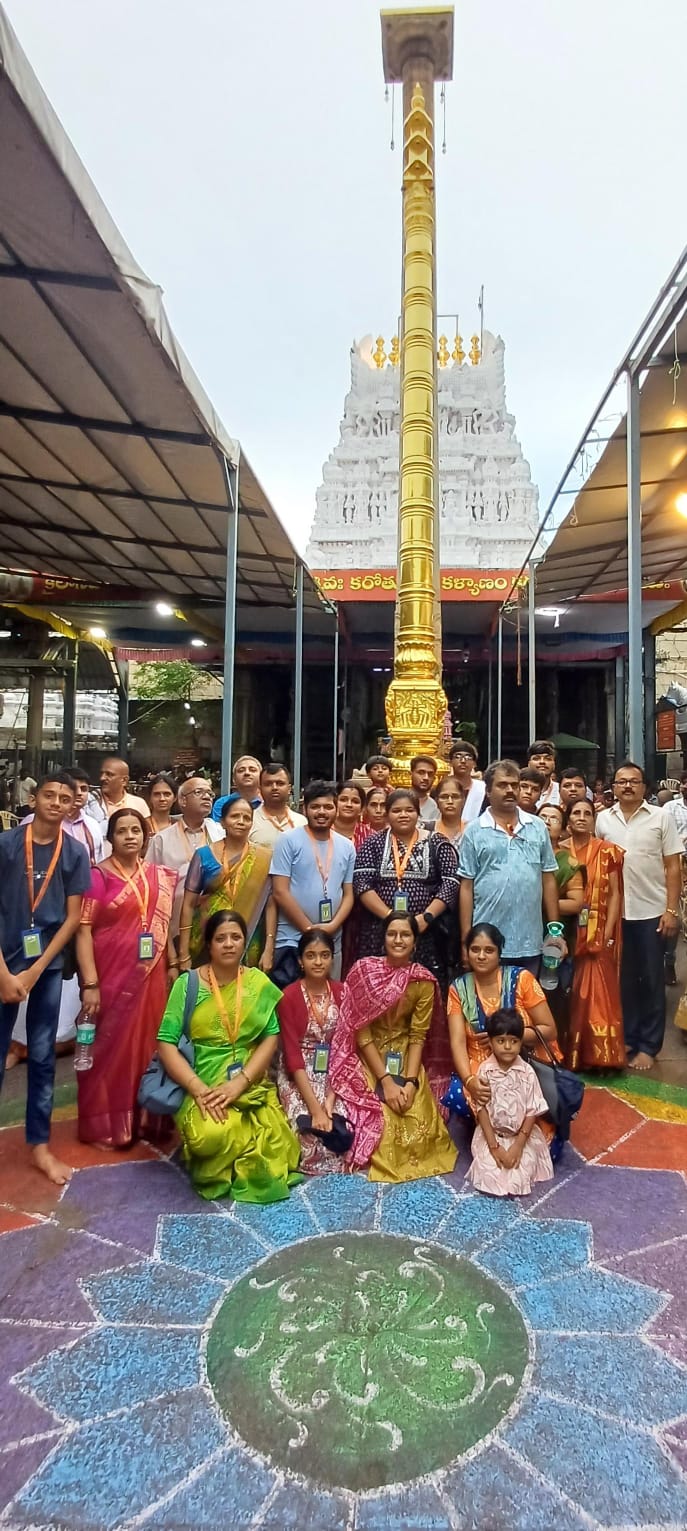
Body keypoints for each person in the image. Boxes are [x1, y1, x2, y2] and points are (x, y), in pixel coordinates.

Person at [157, 910, 303, 1203]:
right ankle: (234, 1151)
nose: (228, 944)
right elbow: (166, 1043)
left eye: (235, 937)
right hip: (202, 1081)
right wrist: (198, 1089)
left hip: (249, 1081)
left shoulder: (257, 982)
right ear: (209, 945)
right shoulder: (188, 984)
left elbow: (271, 1036)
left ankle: (240, 1153)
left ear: (244, 943)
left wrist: (241, 1082)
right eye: (220, 938)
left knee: (284, 1147)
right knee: (208, 1138)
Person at [0, 774, 90, 1184]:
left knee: (41, 1056)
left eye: (64, 798)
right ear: (34, 798)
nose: (56, 802)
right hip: (3, 962)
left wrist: (37, 970)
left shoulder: (74, 852)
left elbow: (72, 919)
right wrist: (5, 974)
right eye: (49, 795)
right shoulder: (6, 845)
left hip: (47, 966)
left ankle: (39, 1146)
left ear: (72, 806)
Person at [75, 809, 177, 1147]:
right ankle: (106, 1125)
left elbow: (164, 924)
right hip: (110, 974)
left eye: (136, 830)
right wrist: (90, 983)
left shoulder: (158, 875)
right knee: (109, 1047)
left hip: (152, 974)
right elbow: (83, 930)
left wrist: (173, 963)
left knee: (149, 1042)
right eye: (122, 831)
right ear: (110, 837)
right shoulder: (97, 876)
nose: (130, 836)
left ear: (145, 837)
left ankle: (147, 1119)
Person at [329, 912, 457, 1182]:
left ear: (415, 942)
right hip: (369, 1053)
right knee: (383, 1126)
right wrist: (386, 1081)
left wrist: (410, 1082)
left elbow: (418, 1035)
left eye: (405, 935)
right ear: (383, 939)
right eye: (392, 934)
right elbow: (360, 1032)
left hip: (405, 1053)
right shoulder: (364, 972)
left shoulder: (422, 981)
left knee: (420, 1126)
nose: (398, 940)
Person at [596, 762, 682, 1070]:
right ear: (614, 788)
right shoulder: (603, 819)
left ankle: (649, 1045)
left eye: (634, 781)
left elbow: (673, 866)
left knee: (652, 981)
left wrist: (671, 910)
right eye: (622, 782)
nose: (628, 786)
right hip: (616, 915)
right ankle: (628, 1038)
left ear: (644, 787)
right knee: (624, 981)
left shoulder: (661, 817)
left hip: (652, 912)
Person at [458, 760, 562, 974]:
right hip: (485, 942)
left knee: (526, 995)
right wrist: (466, 939)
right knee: (489, 996)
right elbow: (466, 887)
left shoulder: (537, 826)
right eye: (502, 785)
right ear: (488, 791)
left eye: (515, 785)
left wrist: (554, 931)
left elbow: (548, 879)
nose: (510, 790)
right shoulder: (474, 831)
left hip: (530, 940)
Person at [353, 787, 458, 986]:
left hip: (425, 932)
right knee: (380, 986)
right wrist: (391, 919)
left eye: (409, 810)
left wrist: (425, 917)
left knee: (423, 986)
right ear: (387, 814)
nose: (403, 815)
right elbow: (362, 883)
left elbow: (450, 883)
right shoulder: (373, 843)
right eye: (396, 810)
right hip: (381, 931)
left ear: (418, 813)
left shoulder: (437, 842)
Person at [270, 781, 355, 985]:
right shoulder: (288, 840)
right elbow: (280, 891)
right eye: (315, 806)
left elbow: (348, 894)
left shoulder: (347, 846)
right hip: (292, 939)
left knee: (328, 998)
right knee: (291, 997)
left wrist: (332, 926)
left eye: (328, 806)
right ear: (304, 809)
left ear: (336, 809)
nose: (322, 812)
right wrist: (310, 931)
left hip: (331, 939)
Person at [276, 929, 347, 1174]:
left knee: (343, 1129)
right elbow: (292, 1056)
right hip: (299, 1072)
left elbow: (344, 1048)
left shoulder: (342, 992)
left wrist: (330, 1100)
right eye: (311, 955)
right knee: (307, 1137)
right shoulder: (289, 996)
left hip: (335, 1070)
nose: (318, 962)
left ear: (332, 959)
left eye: (324, 955)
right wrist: (316, 1110)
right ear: (300, 960)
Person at [179, 794, 274, 970]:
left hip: (249, 935)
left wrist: (269, 949)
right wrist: (183, 953)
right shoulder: (204, 855)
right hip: (206, 938)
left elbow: (270, 905)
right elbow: (188, 904)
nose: (241, 822)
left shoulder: (264, 858)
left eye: (247, 818)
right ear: (222, 822)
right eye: (235, 816)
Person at [563, 798, 625, 1070]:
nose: (581, 817)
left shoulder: (607, 850)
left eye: (587, 813)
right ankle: (570, 1053)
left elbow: (615, 895)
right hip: (565, 929)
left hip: (598, 931)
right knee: (569, 991)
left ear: (593, 820)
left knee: (598, 993)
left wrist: (608, 933)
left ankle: (600, 1057)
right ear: (568, 819)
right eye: (576, 813)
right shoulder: (558, 850)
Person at [466, 1007, 553, 1197]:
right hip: (492, 1136)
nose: (507, 1047)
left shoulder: (527, 1072)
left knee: (518, 1176)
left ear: (521, 1042)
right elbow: (482, 1110)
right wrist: (494, 1147)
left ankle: (520, 1160)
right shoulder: (485, 1071)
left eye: (514, 1041)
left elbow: (532, 1111)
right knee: (489, 1176)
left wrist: (518, 1147)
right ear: (490, 1042)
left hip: (521, 1136)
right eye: (501, 1041)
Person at [146, 777, 224, 939]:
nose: (206, 797)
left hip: (215, 923)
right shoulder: (161, 840)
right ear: (182, 800)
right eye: (199, 792)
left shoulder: (220, 833)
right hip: (175, 924)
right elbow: (150, 888)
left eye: (209, 793)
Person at [662, 772, 687, 985]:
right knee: (675, 915)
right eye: (685, 783)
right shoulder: (670, 808)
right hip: (675, 864)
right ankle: (669, 961)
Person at [249, 762, 306, 851]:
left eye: (280, 783)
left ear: (289, 789)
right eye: (268, 784)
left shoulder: (301, 822)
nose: (274, 787)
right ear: (260, 789)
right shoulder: (250, 820)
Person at [94, 758, 150, 823]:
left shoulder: (139, 803)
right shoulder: (90, 802)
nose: (102, 778)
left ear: (124, 780)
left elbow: (146, 828)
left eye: (109, 774)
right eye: (101, 773)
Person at [449, 740, 485, 824]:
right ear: (450, 762)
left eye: (468, 757)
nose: (463, 761)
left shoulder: (483, 790)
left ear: (474, 764)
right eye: (458, 756)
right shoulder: (441, 788)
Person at [431, 774, 466, 851]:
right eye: (444, 797)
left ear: (463, 800)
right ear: (436, 801)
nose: (450, 801)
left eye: (455, 797)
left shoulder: (472, 830)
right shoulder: (427, 830)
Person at [527, 741, 560, 807]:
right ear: (529, 764)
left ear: (554, 764)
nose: (542, 762)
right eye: (536, 758)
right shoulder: (519, 789)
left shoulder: (561, 791)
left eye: (548, 759)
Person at [410, 756, 440, 825]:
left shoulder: (435, 807)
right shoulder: (398, 801)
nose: (426, 778)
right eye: (421, 773)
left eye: (430, 774)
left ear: (434, 778)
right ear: (411, 774)